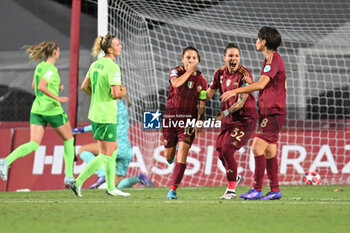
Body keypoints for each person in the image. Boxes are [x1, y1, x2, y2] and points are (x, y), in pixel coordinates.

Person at [221, 27, 286, 200]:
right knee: (269, 151)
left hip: (274, 111)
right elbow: (270, 84)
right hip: (268, 111)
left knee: (257, 146)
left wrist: (236, 91)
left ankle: (256, 189)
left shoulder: (273, 59)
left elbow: (261, 85)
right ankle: (274, 190)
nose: (256, 41)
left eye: (258, 39)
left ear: (264, 42)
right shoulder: (269, 60)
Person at [0, 41, 75, 186]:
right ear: (55, 52)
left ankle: (5, 161)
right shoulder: (51, 69)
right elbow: (41, 86)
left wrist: (55, 88)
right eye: (58, 51)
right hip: (52, 109)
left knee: (33, 144)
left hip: (37, 109)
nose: (59, 53)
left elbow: (34, 85)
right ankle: (69, 176)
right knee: (69, 139)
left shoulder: (40, 66)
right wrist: (57, 97)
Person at [69, 34, 127, 197]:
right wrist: (123, 90)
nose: (120, 46)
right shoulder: (112, 67)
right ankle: (78, 182)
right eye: (117, 44)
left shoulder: (96, 64)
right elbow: (116, 93)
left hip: (95, 113)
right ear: (110, 49)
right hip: (106, 115)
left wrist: (98, 96)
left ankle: (111, 188)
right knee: (106, 154)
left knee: (113, 149)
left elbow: (84, 86)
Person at [206, 43, 258, 199]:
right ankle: (234, 177)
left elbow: (241, 103)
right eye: (231, 56)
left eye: (236, 56)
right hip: (228, 119)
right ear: (225, 58)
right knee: (220, 151)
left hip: (245, 118)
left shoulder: (244, 75)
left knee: (228, 149)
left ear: (239, 58)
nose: (234, 58)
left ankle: (231, 190)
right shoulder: (219, 73)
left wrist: (225, 112)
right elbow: (208, 94)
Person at [72, 98, 154, 191]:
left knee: (83, 150)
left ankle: (101, 174)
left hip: (115, 145)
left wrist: (79, 130)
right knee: (115, 186)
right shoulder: (123, 106)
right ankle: (138, 178)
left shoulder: (112, 106)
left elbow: (102, 125)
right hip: (126, 150)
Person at [163, 46, 208, 199]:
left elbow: (202, 104)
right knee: (169, 157)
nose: (191, 60)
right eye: (188, 57)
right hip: (171, 118)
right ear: (183, 59)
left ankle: (173, 190)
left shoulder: (202, 81)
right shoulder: (176, 71)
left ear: (198, 60)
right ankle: (173, 147)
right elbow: (175, 84)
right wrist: (189, 72)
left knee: (182, 152)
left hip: (188, 122)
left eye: (194, 58)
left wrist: (199, 121)